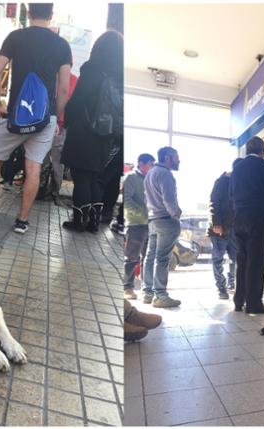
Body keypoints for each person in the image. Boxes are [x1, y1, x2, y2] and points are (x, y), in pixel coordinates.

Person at [0, 3, 72, 233]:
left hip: (15, 115)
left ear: (29, 13)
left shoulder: (15, 37)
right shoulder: (62, 45)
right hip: (44, 118)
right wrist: (55, 116)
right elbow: (63, 89)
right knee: (33, 167)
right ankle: (22, 221)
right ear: (51, 15)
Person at [61, 30, 124, 233]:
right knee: (96, 178)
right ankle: (94, 222)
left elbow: (78, 100)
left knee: (81, 178)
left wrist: (67, 119)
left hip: (84, 130)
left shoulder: (92, 70)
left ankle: (79, 221)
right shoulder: (120, 76)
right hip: (107, 134)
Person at [231, 136, 264, 314]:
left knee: (242, 259)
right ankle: (253, 303)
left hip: (238, 218)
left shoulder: (236, 169)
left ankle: (239, 300)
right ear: (262, 150)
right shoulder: (263, 165)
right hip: (256, 217)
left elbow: (231, 193)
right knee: (257, 261)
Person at [142, 147, 182, 308]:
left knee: (150, 256)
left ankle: (148, 293)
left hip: (153, 220)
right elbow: (169, 200)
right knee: (162, 258)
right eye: (176, 157)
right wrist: (177, 214)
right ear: (167, 158)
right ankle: (161, 295)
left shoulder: (150, 173)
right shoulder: (165, 174)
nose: (179, 160)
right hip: (165, 220)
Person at [208, 158, 243, 300]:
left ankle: (231, 283)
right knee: (218, 259)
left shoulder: (238, 182)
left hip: (234, 227)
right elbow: (213, 202)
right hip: (219, 228)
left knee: (235, 258)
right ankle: (221, 287)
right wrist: (216, 223)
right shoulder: (221, 181)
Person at [123, 153, 155, 300]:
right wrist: (144, 212)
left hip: (151, 224)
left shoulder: (151, 179)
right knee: (131, 257)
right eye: (150, 164)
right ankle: (127, 287)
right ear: (141, 164)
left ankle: (146, 287)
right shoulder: (131, 177)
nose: (152, 167)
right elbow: (127, 201)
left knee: (147, 257)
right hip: (135, 223)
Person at [48, 72, 77, 201]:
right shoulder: (54, 76)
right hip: (50, 122)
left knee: (56, 161)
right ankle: (45, 189)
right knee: (50, 160)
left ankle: (54, 190)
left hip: (60, 124)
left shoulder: (72, 80)